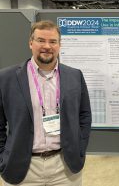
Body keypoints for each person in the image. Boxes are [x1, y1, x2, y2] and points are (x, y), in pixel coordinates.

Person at [0, 20, 92, 185]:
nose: (47, 46)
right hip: (23, 167)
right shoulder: (6, 78)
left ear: (59, 45)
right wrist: (2, 158)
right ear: (30, 43)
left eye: (53, 41)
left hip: (65, 166)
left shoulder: (74, 76)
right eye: (41, 40)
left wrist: (80, 147)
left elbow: (84, 115)